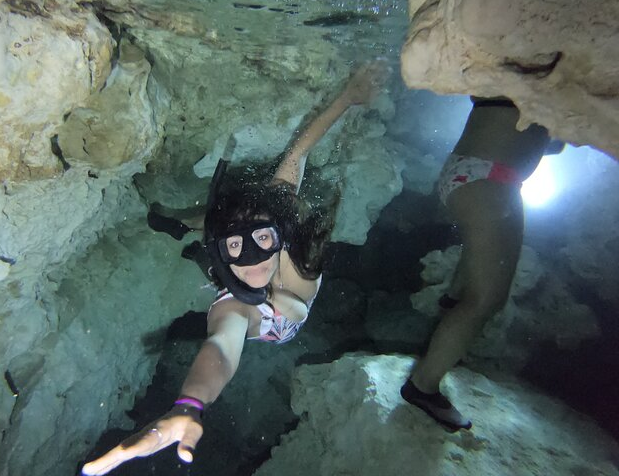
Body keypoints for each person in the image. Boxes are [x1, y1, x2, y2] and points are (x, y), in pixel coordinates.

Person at [82, 61, 389, 476]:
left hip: (266, 300)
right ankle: (180, 223)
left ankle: (191, 238)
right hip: (258, 310)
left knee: (240, 221)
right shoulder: (234, 308)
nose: (253, 259)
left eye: (261, 240)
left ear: (276, 233)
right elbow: (222, 349)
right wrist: (189, 405)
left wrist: (349, 97)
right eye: (235, 248)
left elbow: (300, 149)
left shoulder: (283, 229)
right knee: (221, 232)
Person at [401, 96, 563, 431]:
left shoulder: (518, 69)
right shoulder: (531, 66)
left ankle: (450, 312)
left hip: (485, 175)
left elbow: (550, 140)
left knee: (474, 289)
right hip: (489, 179)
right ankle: (423, 386)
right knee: (486, 299)